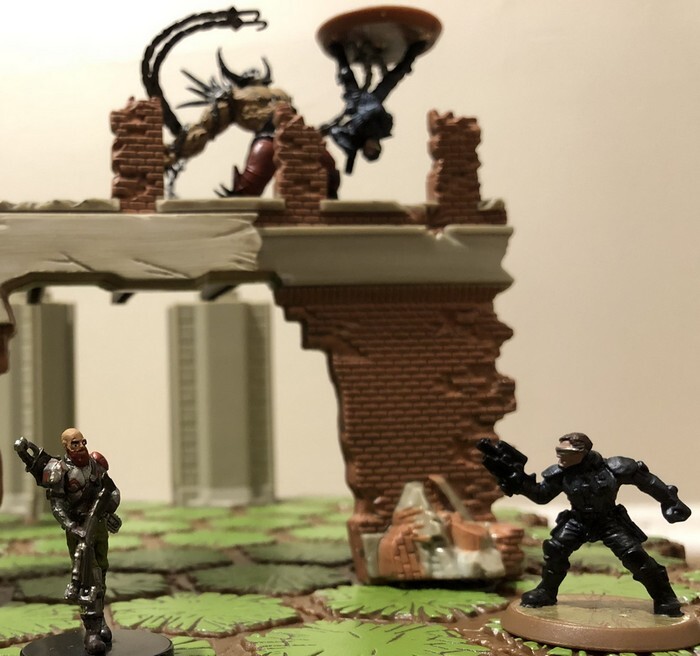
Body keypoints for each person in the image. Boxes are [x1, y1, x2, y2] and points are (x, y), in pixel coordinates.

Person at [479, 432, 691, 616]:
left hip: (608, 520)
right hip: (578, 520)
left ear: (582, 452)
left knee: (634, 556)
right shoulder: (561, 473)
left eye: (565, 452)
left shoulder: (614, 468)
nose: (560, 457)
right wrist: (519, 482)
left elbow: (649, 482)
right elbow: (541, 495)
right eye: (558, 452)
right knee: (555, 549)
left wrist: (670, 501)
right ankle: (546, 591)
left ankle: (664, 597)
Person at [16, 429, 121, 654]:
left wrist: (108, 507)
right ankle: (91, 631)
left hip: (99, 525)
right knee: (87, 578)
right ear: (65, 446)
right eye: (75, 443)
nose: (81, 446)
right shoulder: (59, 471)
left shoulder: (95, 464)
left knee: (101, 573)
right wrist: (73, 526)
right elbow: (57, 506)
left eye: (83, 441)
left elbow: (111, 490)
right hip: (79, 529)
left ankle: (100, 620)